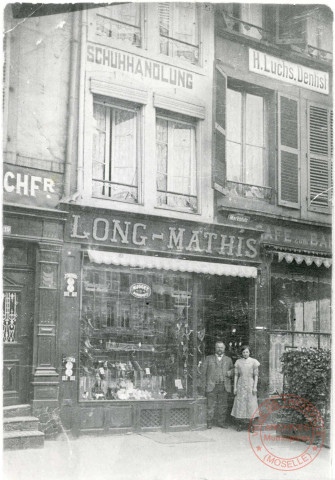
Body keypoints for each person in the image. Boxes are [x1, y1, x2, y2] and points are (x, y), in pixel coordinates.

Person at [201, 341, 234, 429]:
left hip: (224, 385)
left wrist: (230, 372)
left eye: (221, 347)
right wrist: (204, 385)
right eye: (218, 347)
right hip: (212, 385)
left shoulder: (228, 359)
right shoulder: (208, 358)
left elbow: (233, 371)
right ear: (215, 348)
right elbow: (203, 373)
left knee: (223, 405)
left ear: (224, 349)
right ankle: (209, 422)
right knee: (210, 405)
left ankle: (221, 422)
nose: (220, 349)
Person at [231, 345, 260, 432]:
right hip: (241, 384)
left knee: (250, 404)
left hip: (250, 384)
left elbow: (256, 375)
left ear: (249, 352)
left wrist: (255, 387)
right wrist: (235, 387)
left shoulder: (254, 362)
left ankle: (251, 425)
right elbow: (236, 375)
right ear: (241, 353)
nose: (245, 354)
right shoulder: (238, 362)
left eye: (247, 352)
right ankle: (240, 424)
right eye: (243, 352)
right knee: (240, 403)